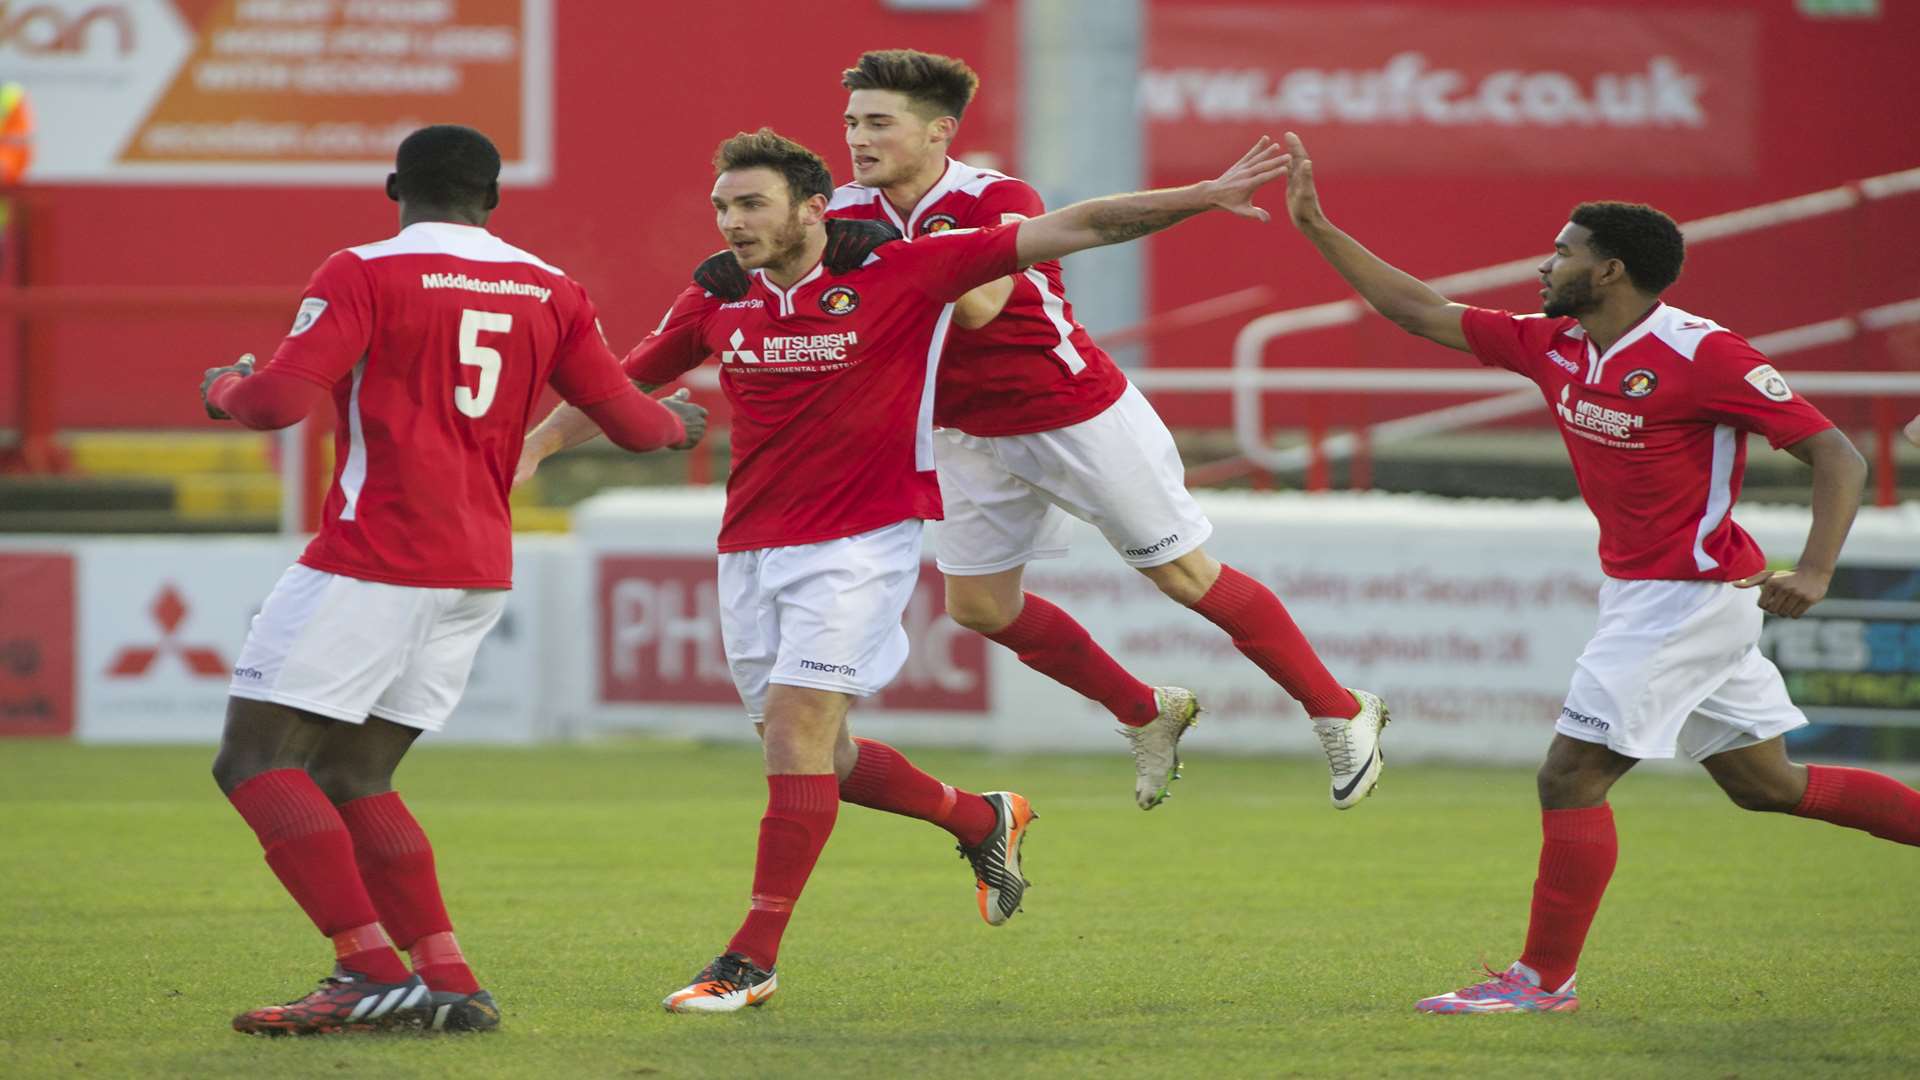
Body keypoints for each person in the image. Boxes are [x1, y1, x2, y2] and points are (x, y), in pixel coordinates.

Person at [520, 127, 1291, 1013]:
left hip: (860, 540)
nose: (733, 223)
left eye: (752, 204)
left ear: (815, 208)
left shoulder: (903, 274)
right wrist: (538, 448)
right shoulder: (718, 298)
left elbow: (1076, 227)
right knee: (823, 757)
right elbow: (626, 383)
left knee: (798, 731)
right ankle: (980, 817)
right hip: (750, 549)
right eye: (724, 208)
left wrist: (1199, 195)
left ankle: (750, 958)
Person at [1280, 130, 1920, 1013]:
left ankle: (1542, 981)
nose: (1546, 266)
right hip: (1659, 596)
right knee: (1767, 786)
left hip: (1686, 601)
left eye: (1563, 252)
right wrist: (1316, 224)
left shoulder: (1706, 354)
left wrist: (1815, 571)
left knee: (1569, 775)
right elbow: (1421, 310)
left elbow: (1838, 454)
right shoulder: (1555, 342)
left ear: (1611, 269)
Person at [200, 124, 706, 1036]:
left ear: (396, 185)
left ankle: (365, 970)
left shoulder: (364, 270)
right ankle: (447, 978)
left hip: (372, 558)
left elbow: (274, 404)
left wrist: (224, 387)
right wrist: (676, 426)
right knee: (355, 775)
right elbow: (632, 426)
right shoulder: (550, 288)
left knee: (255, 762)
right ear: (495, 198)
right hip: (477, 568)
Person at [825, 49, 1387, 812]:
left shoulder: (997, 198)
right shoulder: (843, 214)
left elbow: (982, 305)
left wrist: (886, 261)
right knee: (979, 608)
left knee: (1183, 576)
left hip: (1073, 415)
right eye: (853, 121)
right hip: (962, 434)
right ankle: (1146, 711)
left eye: (879, 122)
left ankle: (1340, 708)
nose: (858, 137)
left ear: (938, 132)